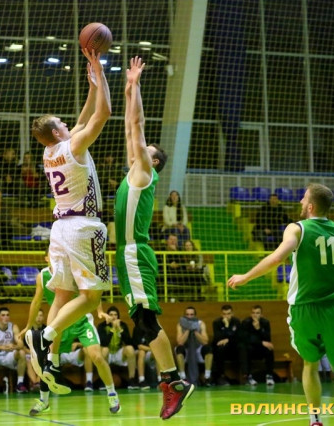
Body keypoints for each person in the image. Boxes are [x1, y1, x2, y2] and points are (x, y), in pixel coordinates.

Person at [227, 183, 334, 426]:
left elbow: (278, 257)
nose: (299, 202)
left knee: (310, 363)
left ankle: (315, 420)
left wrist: (245, 277)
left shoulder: (296, 228)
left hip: (305, 308)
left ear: (311, 206)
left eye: (303, 198)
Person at [25, 47, 112, 393]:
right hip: (83, 226)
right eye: (62, 123)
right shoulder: (73, 147)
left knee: (61, 295)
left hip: (59, 229)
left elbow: (82, 120)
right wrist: (100, 73)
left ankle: (49, 360)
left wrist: (91, 86)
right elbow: (103, 114)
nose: (68, 123)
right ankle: (45, 336)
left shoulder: (50, 151)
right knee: (91, 299)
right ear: (59, 133)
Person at [113, 56, 193, 420]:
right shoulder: (136, 169)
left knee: (146, 322)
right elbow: (129, 125)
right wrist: (128, 89)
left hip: (134, 252)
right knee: (140, 323)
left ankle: (173, 382)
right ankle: (171, 380)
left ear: (154, 161)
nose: (139, 148)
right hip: (126, 254)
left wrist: (138, 87)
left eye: (147, 150)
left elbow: (138, 124)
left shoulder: (145, 172)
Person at [19, 252, 121, 416]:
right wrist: (28, 325)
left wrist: (100, 311)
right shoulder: (42, 276)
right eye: (51, 255)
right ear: (46, 258)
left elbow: (91, 293)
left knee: (97, 356)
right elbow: (36, 302)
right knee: (47, 362)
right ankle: (43, 401)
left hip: (81, 321)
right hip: (60, 323)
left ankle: (112, 394)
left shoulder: (72, 270)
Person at [0, 307, 27, 394]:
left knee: (22, 353)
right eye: (3, 315)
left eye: (7, 315)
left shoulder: (13, 327)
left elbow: (21, 344)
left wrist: (14, 346)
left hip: (9, 356)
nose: (6, 317)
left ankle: (20, 383)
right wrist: (2, 347)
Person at [97, 306, 137, 388]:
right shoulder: (102, 326)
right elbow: (103, 343)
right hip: (107, 354)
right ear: (107, 316)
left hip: (118, 353)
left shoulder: (123, 325)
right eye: (111, 315)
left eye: (115, 315)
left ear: (118, 316)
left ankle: (132, 379)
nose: (113, 317)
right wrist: (112, 329)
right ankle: (104, 381)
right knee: (105, 349)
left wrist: (119, 329)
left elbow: (129, 342)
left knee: (130, 349)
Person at [175, 306, 213, 387]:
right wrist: (188, 329)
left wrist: (195, 331)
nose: (189, 316)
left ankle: (207, 376)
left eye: (191, 314)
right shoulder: (180, 324)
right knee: (179, 349)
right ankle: (183, 377)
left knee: (208, 349)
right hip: (186, 347)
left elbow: (205, 341)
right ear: (184, 315)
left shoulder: (200, 323)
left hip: (198, 347)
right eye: (187, 314)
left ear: (195, 315)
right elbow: (180, 342)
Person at [241, 305, 275, 386]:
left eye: (257, 313)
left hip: (260, 349)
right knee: (245, 349)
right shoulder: (246, 322)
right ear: (251, 314)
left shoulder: (265, 322)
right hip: (251, 348)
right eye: (253, 313)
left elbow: (267, 338)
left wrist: (259, 329)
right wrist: (261, 342)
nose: (255, 315)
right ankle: (248, 377)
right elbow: (246, 339)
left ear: (261, 315)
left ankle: (269, 375)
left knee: (269, 349)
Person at [211, 304, 242, 386]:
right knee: (220, 348)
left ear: (232, 314)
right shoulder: (216, 322)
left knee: (242, 347)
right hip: (222, 349)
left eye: (228, 314)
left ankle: (245, 376)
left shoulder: (237, 322)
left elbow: (239, 337)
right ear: (221, 314)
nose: (226, 316)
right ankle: (221, 376)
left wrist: (228, 339)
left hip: (234, 348)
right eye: (224, 314)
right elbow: (218, 338)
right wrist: (226, 326)